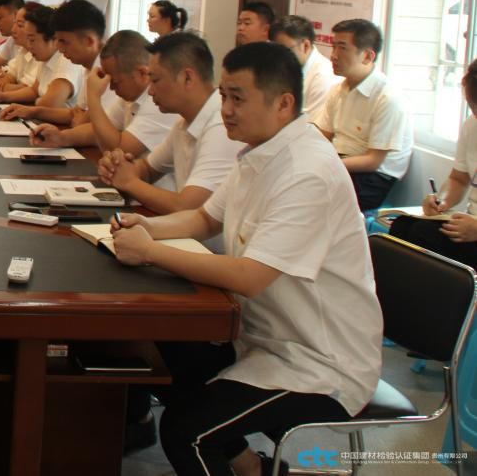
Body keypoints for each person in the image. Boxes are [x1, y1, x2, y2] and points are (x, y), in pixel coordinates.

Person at [112, 42, 382, 476]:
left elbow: (250, 276)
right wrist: (143, 226)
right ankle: (251, 467)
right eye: (224, 95)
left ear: (284, 104)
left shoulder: (306, 170)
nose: (226, 109)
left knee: (186, 431)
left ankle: (243, 464)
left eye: (238, 98)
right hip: (263, 336)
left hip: (317, 361)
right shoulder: (259, 151)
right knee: (170, 355)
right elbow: (204, 218)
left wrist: (150, 251)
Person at [99, 32, 243, 214]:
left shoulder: (222, 126)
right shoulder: (183, 122)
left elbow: (187, 208)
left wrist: (128, 181)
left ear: (187, 78)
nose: (150, 91)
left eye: (155, 80)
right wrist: (117, 167)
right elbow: (147, 170)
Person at [313, 18, 413, 211]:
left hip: (372, 177)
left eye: (342, 48)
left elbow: (372, 161)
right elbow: (322, 137)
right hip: (340, 162)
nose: (333, 56)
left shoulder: (388, 98)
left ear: (367, 56)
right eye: (333, 47)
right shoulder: (337, 90)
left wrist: (325, 165)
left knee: (309, 197)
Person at [391, 58, 477, 267]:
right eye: (472, 107)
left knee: (423, 237)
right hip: (468, 222)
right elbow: (458, 179)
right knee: (402, 228)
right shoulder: (471, 125)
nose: (475, 114)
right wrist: (442, 200)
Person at [31, 30, 178, 152]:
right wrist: (61, 137)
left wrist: (94, 98)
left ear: (142, 73)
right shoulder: (129, 97)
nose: (111, 88)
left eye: (115, 81)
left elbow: (119, 148)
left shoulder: (160, 102)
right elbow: (95, 131)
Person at [0, 4, 82, 120]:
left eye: (32, 40)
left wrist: (35, 103)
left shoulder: (67, 61)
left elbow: (50, 104)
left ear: (53, 39)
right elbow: (34, 90)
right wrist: (3, 97)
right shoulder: (45, 58)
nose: (29, 45)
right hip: (44, 119)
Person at [269, 14, 339, 120]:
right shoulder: (285, 67)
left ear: (305, 46)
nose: (277, 57)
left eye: (283, 50)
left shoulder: (324, 76)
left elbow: (311, 125)